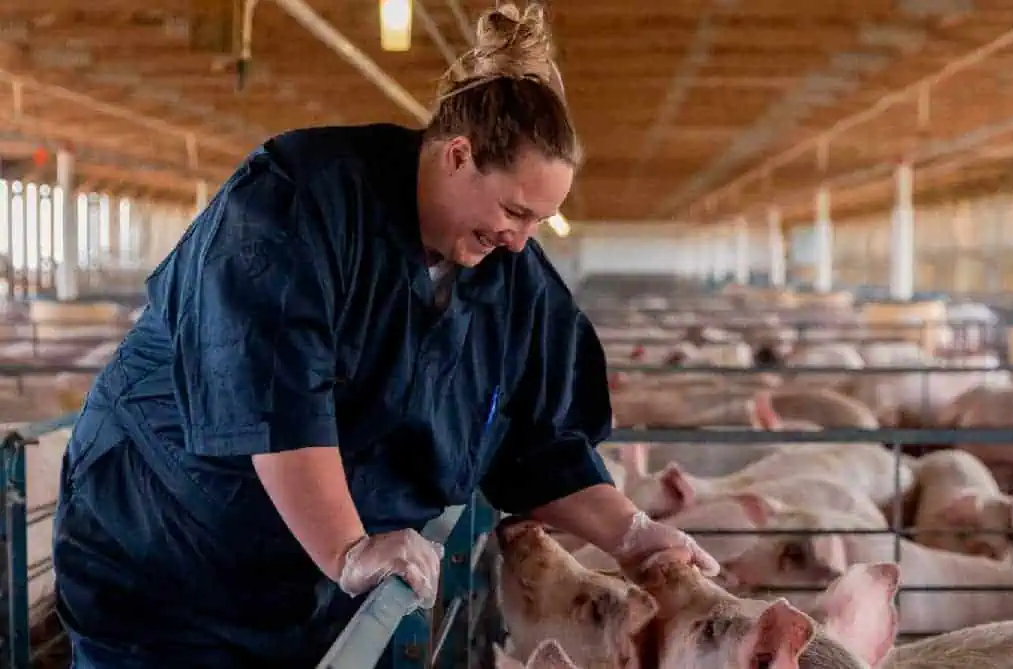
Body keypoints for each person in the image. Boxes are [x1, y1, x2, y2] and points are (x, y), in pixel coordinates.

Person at [50, 4, 717, 667]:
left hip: (301, 593)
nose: (520, 239)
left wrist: (632, 533)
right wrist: (348, 548)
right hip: (165, 557)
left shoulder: (513, 280)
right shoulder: (294, 205)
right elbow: (275, 397)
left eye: (539, 221)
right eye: (515, 209)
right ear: (458, 155)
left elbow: (539, 444)